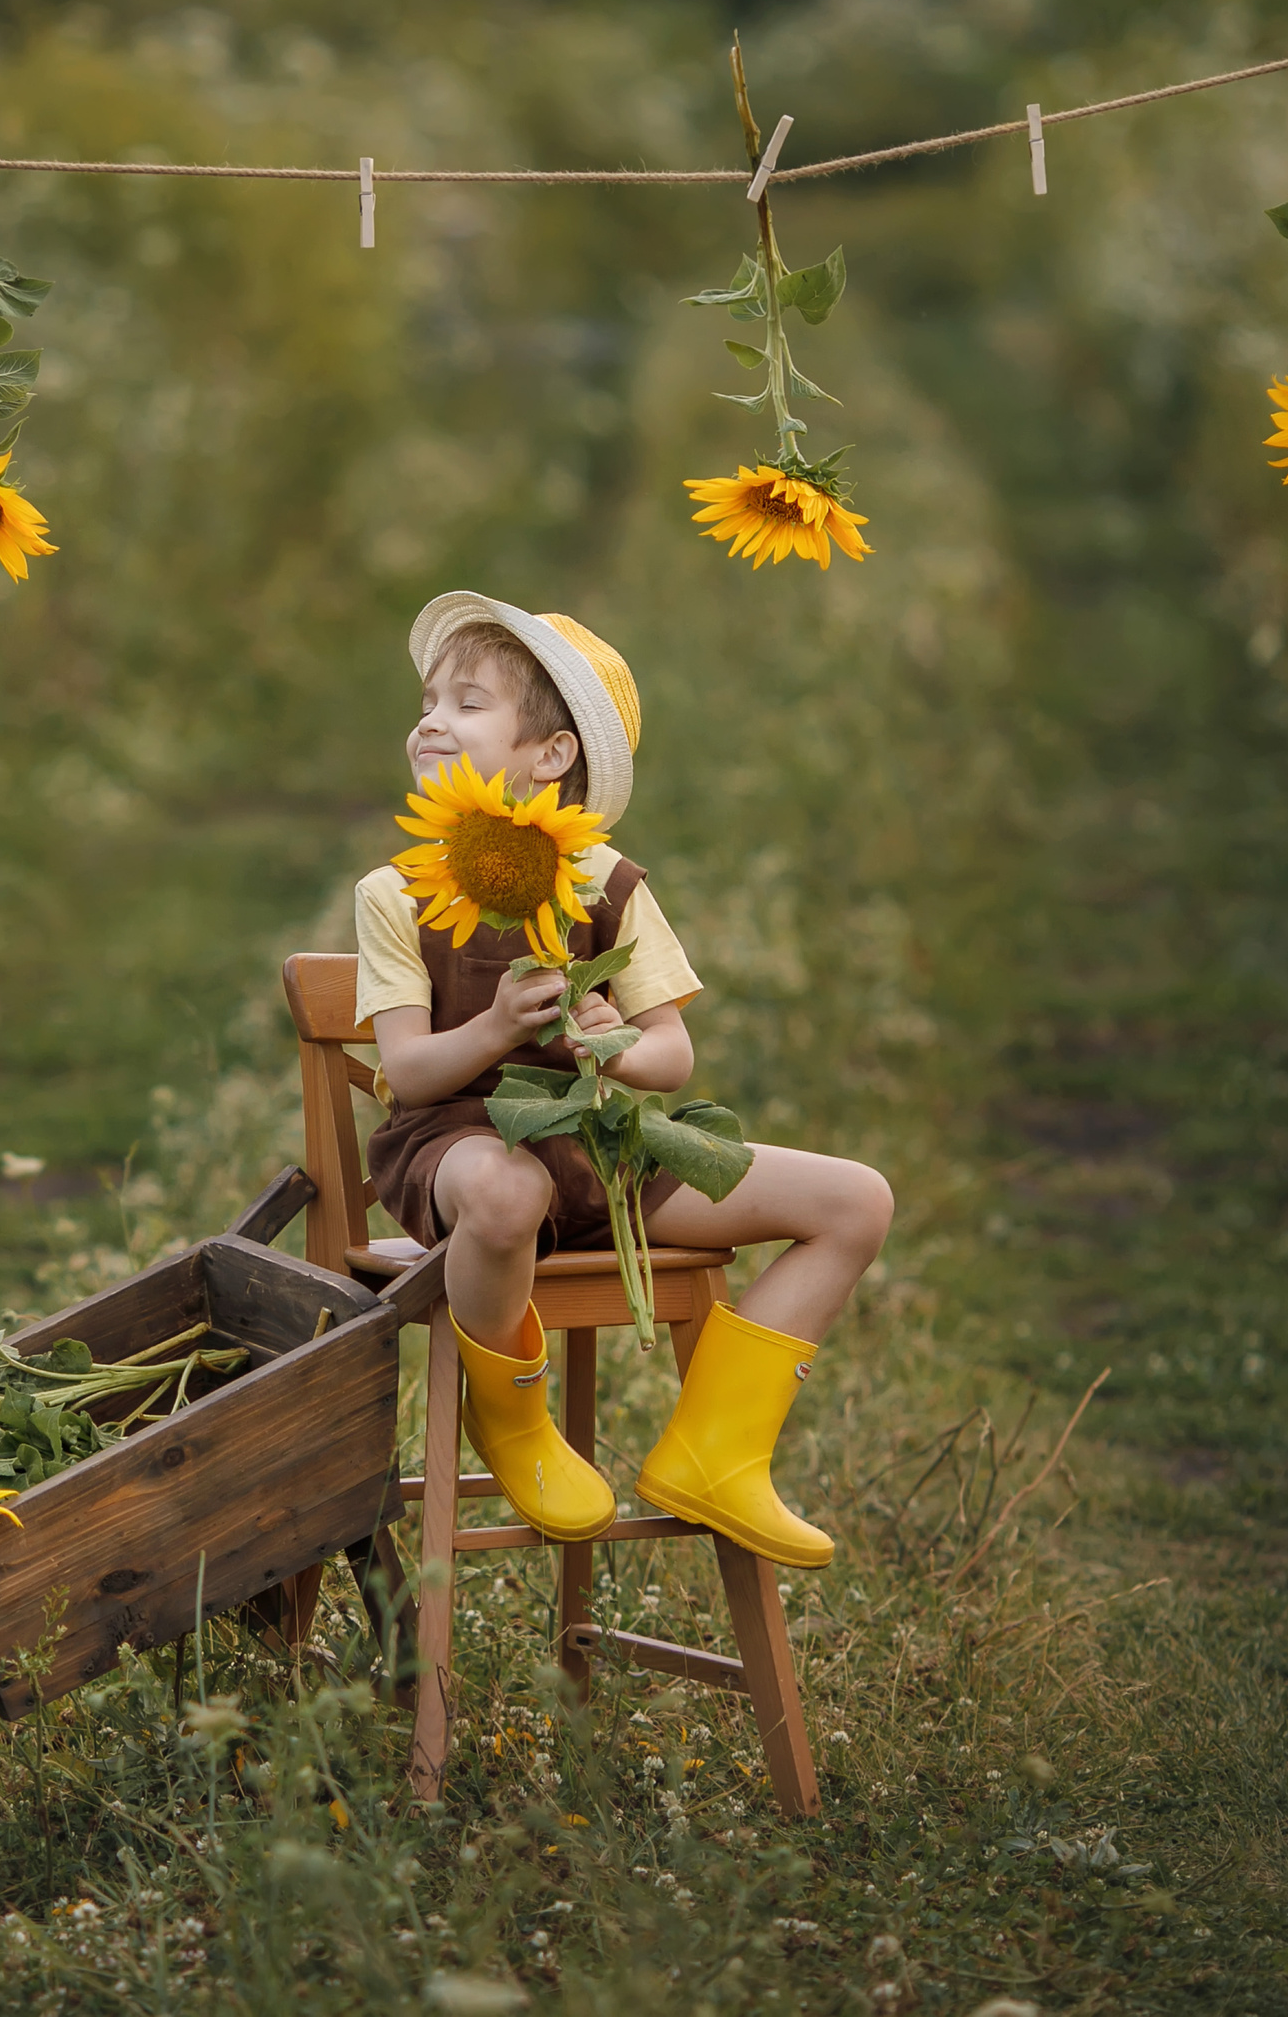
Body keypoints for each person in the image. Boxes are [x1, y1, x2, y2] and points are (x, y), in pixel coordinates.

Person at [354, 592, 893, 1564]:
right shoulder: (396, 893)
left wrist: (611, 1045)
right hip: (456, 1147)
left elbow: (668, 1056)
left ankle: (717, 1450)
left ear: (551, 755)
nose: (429, 717)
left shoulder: (604, 883)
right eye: (427, 698)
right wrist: (489, 1029)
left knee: (854, 1200)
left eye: (466, 701)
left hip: (597, 1147)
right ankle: (514, 1419)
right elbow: (407, 1068)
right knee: (507, 1189)